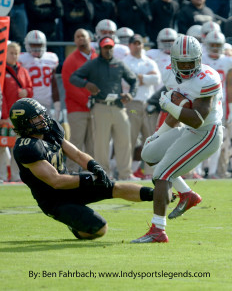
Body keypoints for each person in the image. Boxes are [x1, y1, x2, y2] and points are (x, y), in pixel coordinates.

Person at [9, 98, 155, 240]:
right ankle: (74, 226)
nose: (43, 118)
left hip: (70, 184)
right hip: (55, 200)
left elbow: (77, 155)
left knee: (113, 187)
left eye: (42, 113)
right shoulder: (26, 147)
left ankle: (155, 195)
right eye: (36, 117)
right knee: (100, 229)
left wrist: (94, 165)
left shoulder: (50, 131)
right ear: (24, 123)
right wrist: (88, 178)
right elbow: (56, 181)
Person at [131, 35, 223, 243]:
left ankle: (158, 230)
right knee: (149, 153)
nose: (186, 68)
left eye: (191, 63)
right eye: (181, 63)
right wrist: (158, 134)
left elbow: (198, 119)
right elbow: (178, 113)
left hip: (207, 133)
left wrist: (170, 105)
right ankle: (187, 194)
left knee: (162, 174)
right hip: (189, 130)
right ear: (173, 62)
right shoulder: (170, 76)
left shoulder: (207, 78)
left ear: (199, 60)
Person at [70, 36, 138, 180]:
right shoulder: (92, 64)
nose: (108, 50)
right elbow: (73, 77)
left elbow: (133, 80)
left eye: (110, 47)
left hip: (118, 107)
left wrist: (131, 94)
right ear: (100, 48)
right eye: (105, 47)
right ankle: (104, 174)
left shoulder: (119, 64)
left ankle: (126, 174)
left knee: (125, 140)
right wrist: (86, 84)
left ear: (113, 48)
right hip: (100, 106)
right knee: (101, 143)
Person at [122, 34, 161, 179]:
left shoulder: (149, 61)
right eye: (135, 43)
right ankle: (126, 172)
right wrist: (145, 77)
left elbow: (157, 79)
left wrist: (138, 78)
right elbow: (125, 82)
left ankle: (150, 173)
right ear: (130, 45)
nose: (138, 46)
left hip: (149, 104)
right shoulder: (125, 61)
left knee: (151, 139)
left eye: (140, 43)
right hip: (132, 105)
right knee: (129, 138)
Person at [61, 29, 98, 172]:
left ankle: (93, 171)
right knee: (76, 141)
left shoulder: (97, 57)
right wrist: (86, 100)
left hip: (95, 107)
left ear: (90, 38)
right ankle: (72, 171)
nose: (80, 38)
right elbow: (69, 85)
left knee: (93, 143)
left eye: (83, 36)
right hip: (77, 109)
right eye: (77, 36)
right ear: (75, 41)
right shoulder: (70, 60)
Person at [202, 30, 232, 179]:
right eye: (213, 44)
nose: (216, 48)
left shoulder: (227, 61)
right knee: (198, 137)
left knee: (218, 139)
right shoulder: (201, 58)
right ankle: (197, 172)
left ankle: (213, 172)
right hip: (201, 102)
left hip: (219, 105)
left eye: (218, 45)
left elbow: (229, 86)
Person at [0, 42, 33, 182]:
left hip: (21, 117)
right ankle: (1, 175)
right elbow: (2, 95)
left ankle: (15, 176)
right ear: (5, 54)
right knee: (2, 146)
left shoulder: (23, 71)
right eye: (11, 53)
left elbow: (30, 90)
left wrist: (27, 92)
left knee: (18, 147)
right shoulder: (2, 71)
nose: (14, 56)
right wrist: (5, 115)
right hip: (6, 117)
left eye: (16, 53)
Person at [18, 30, 61, 121]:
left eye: (39, 45)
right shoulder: (21, 58)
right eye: (33, 45)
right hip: (29, 100)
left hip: (46, 101)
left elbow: (53, 82)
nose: (36, 48)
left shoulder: (51, 58)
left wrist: (57, 103)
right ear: (27, 44)